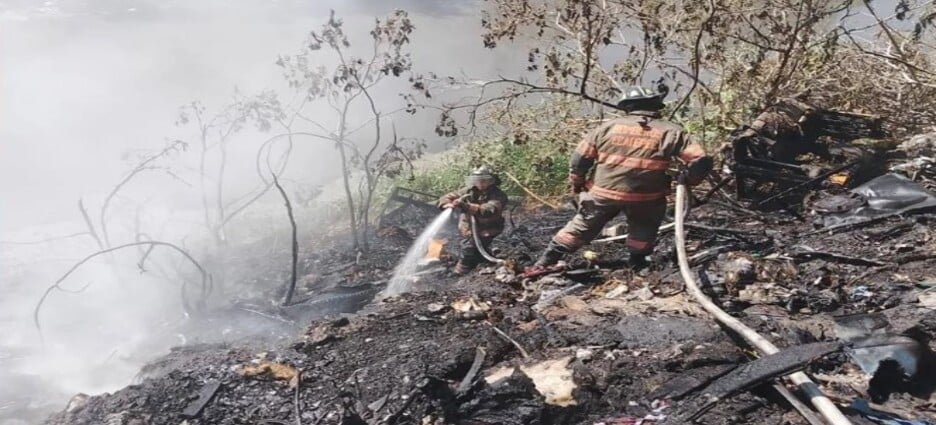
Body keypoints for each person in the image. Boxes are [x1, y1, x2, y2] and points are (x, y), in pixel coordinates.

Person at [531, 85, 713, 270]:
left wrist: (577, 183)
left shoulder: (607, 127)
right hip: (647, 198)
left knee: (581, 226)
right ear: (656, 106)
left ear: (627, 107)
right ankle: (637, 263)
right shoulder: (672, 131)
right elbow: (701, 160)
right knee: (644, 227)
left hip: (603, 193)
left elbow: (580, 159)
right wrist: (691, 179)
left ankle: (545, 262)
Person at [438, 166, 509, 275]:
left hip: (489, 229)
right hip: (468, 228)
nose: (480, 183)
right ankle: (482, 261)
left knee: (468, 248)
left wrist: (466, 206)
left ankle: (460, 272)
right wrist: (446, 203)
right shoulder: (468, 191)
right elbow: (448, 196)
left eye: (484, 181)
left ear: (491, 181)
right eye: (477, 181)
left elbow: (488, 211)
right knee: (474, 248)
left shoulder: (499, 195)